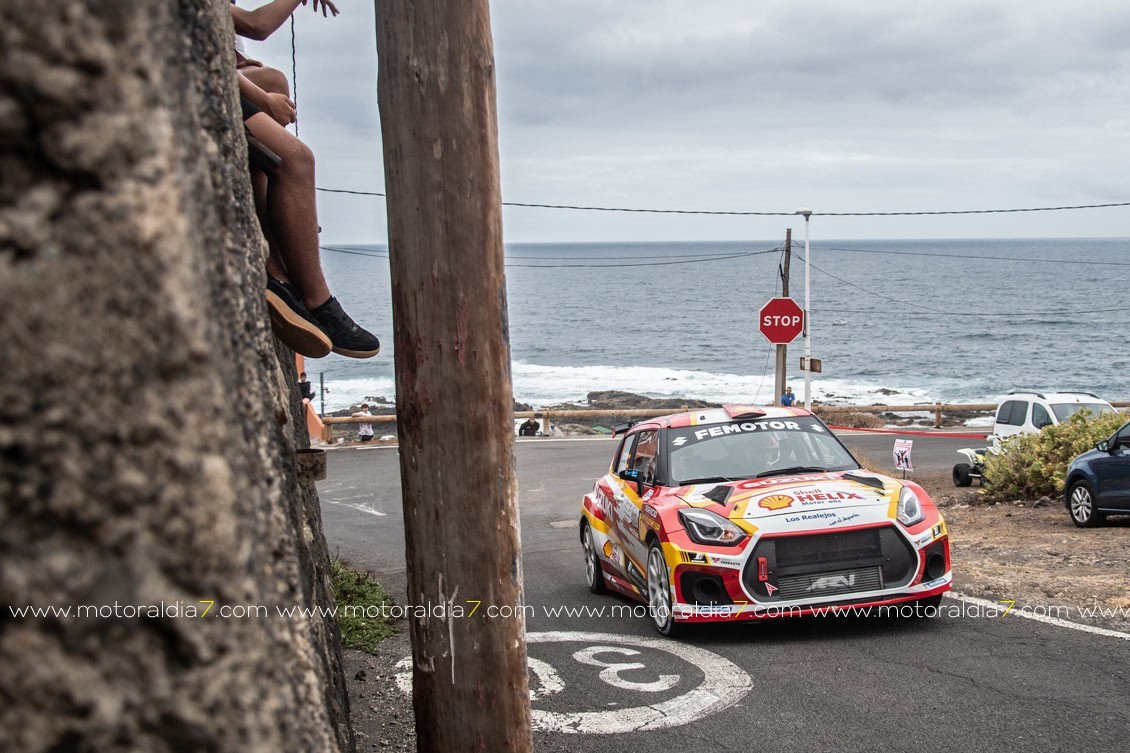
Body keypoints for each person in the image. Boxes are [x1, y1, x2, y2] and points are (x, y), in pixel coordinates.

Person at [231, 2, 380, 359]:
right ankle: (318, 300)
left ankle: (279, 268)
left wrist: (264, 87)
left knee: (274, 83)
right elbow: (257, 25)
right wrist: (262, 98)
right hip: (207, 83)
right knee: (297, 160)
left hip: (222, 79)